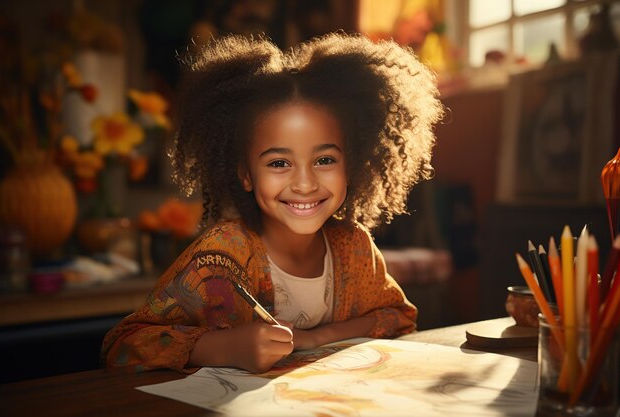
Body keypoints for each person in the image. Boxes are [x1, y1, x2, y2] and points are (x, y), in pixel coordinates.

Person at [101, 32, 443, 374]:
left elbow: (398, 318)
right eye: (279, 163)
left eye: (325, 160)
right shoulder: (222, 253)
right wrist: (219, 347)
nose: (306, 183)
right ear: (246, 175)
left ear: (351, 166)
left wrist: (317, 336)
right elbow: (123, 346)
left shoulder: (353, 247)